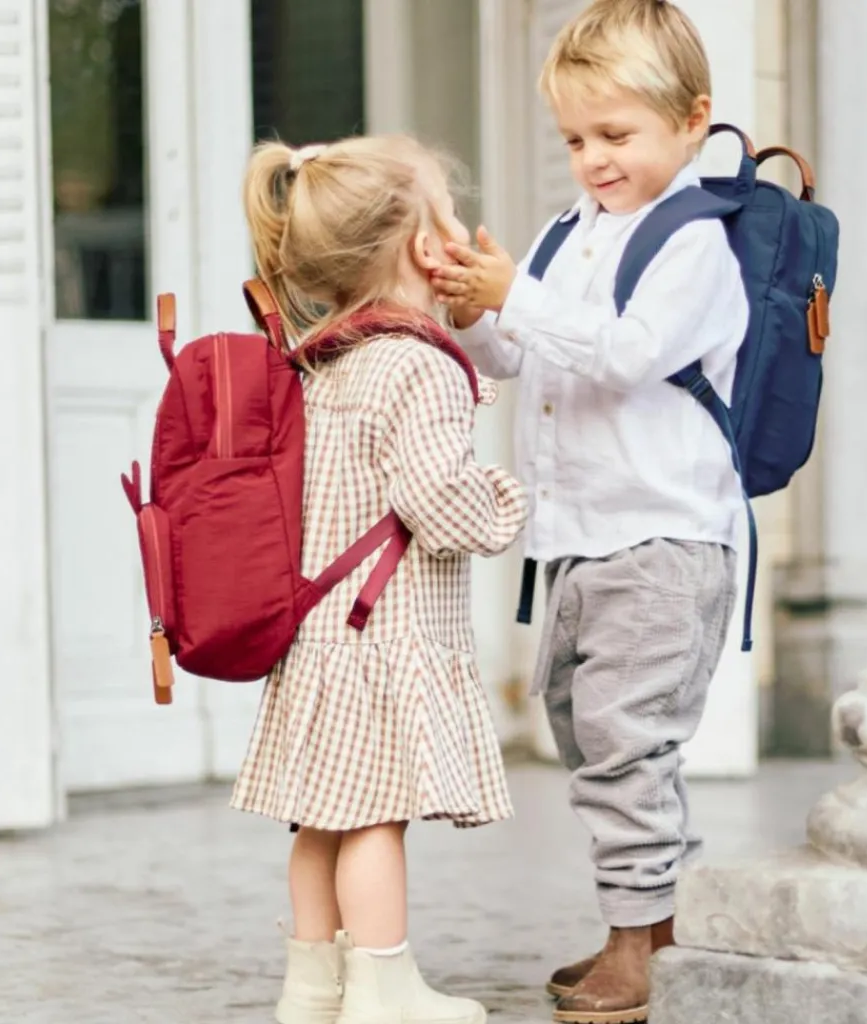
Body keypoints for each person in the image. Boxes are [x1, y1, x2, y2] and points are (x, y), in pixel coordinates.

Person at [432, 2, 747, 1021]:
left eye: (615, 134)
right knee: (589, 736)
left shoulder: (695, 241)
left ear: (690, 120)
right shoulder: (568, 234)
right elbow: (516, 354)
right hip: (577, 540)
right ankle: (659, 926)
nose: (593, 159)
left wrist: (515, 297)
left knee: (624, 742)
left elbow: (627, 353)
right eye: (574, 140)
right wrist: (474, 310)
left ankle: (634, 943)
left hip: (663, 537)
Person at [230, 134, 528, 1024]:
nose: (461, 230)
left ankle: (311, 985)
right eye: (449, 214)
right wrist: (505, 500)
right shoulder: (421, 364)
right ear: (425, 248)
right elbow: (437, 502)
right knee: (374, 818)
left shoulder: (320, 358)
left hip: (319, 637)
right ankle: (384, 987)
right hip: (380, 635)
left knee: (319, 819)